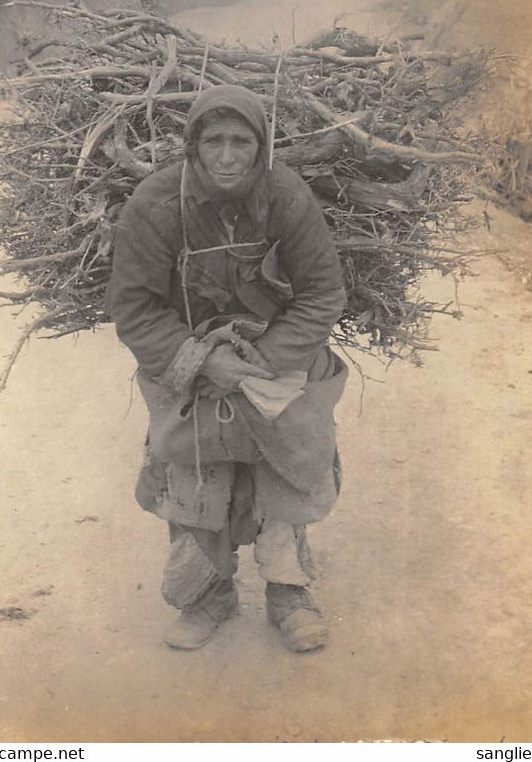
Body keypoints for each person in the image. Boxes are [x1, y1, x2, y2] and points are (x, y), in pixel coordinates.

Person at [108, 84, 348, 653]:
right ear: (191, 146)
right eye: (212, 141)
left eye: (241, 141)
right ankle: (207, 596)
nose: (227, 156)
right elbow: (135, 308)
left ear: (261, 148)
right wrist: (205, 362)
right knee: (193, 469)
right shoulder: (157, 203)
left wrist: (260, 363)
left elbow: (322, 293)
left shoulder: (286, 196)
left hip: (273, 355)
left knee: (289, 464)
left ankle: (288, 593)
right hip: (188, 357)